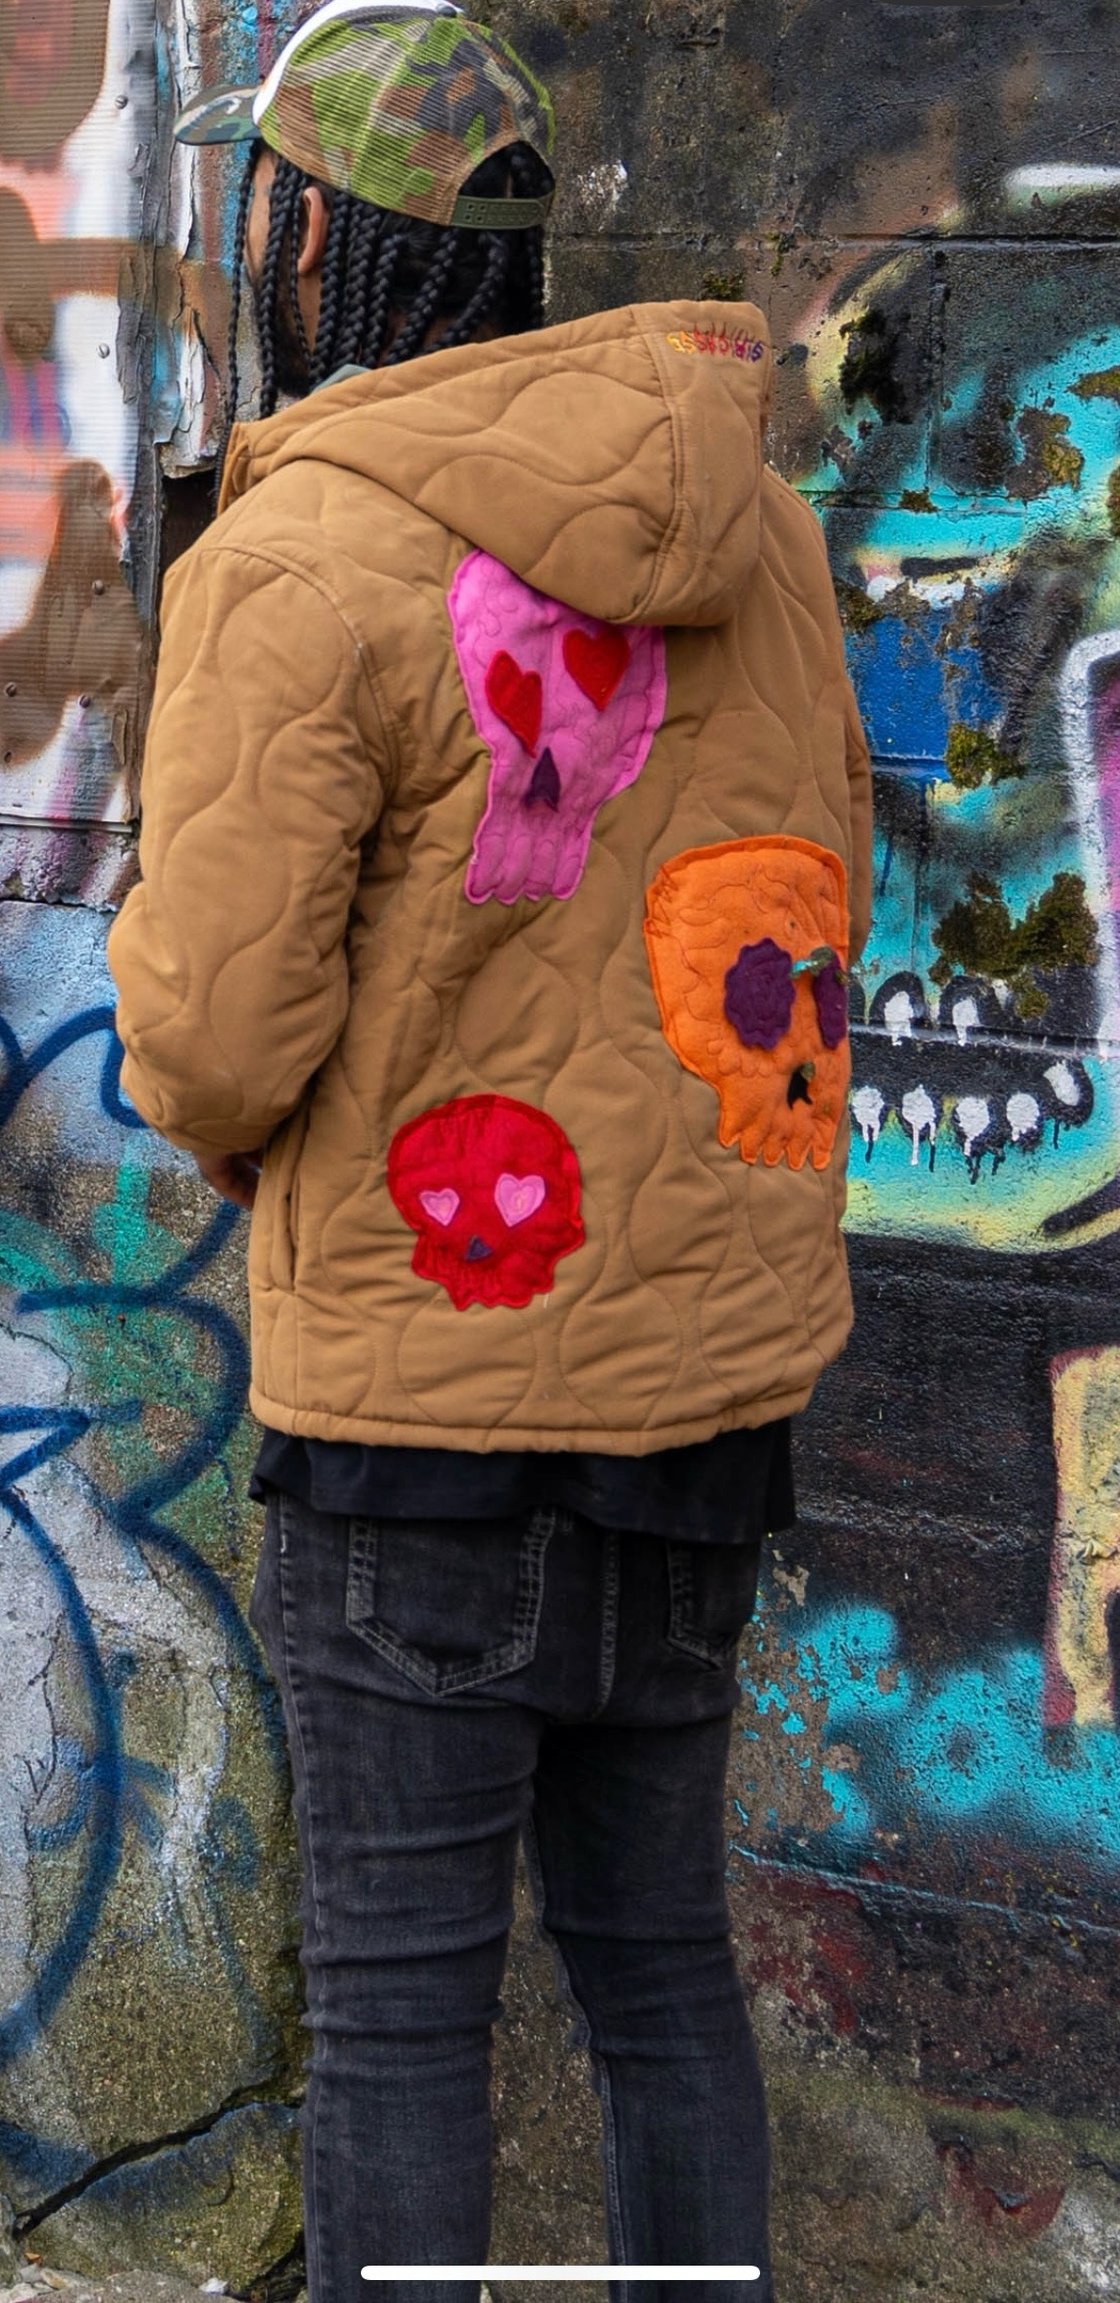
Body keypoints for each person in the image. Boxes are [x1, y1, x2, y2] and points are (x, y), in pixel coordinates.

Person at [107, 6, 873, 2299]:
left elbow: (215, 1037)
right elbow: (818, 921)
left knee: (404, 2027)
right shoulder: (768, 542)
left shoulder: (302, 551)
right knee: (656, 1983)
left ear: (306, 237)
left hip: (423, 1430)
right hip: (700, 1412)